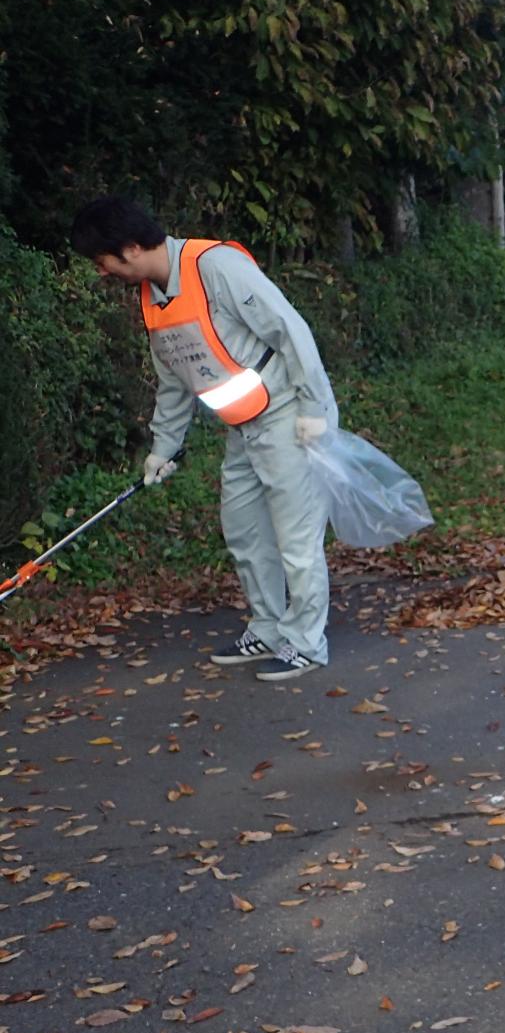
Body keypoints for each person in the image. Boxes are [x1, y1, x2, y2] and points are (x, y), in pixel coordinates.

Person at [70, 197, 338, 682]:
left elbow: (289, 329)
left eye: (102, 260)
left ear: (130, 248)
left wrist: (315, 409)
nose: (102, 271)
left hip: (287, 415)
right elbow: (174, 379)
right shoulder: (153, 297)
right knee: (244, 531)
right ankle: (269, 628)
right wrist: (163, 448)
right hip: (243, 426)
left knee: (296, 539)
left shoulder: (215, 266)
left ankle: (306, 643)